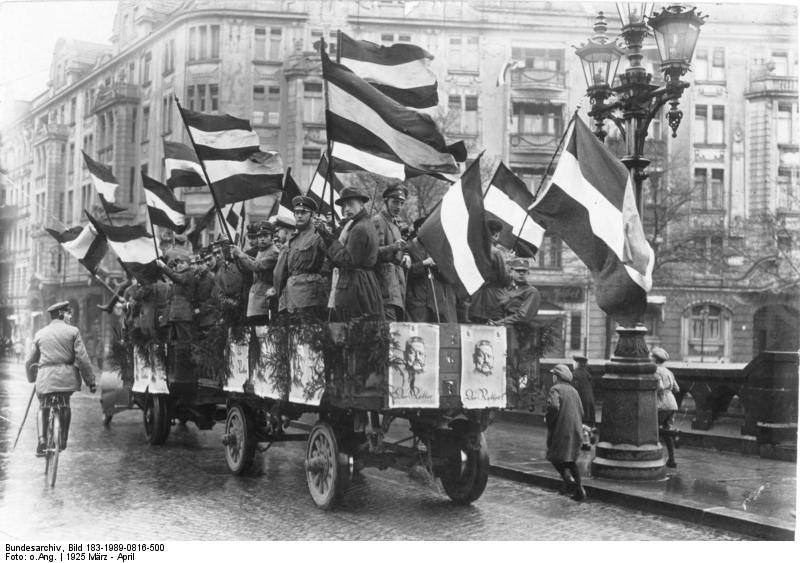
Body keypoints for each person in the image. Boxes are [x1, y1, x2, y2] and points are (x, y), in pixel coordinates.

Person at [24, 301, 96, 456]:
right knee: (65, 404)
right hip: (66, 379)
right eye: (69, 313)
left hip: (45, 379)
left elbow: (30, 361)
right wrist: (91, 382)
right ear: (61, 314)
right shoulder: (73, 332)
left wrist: (32, 378)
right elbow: (83, 359)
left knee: (43, 405)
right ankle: (62, 440)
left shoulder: (40, 333)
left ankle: (42, 440)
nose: (70, 316)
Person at [317, 186, 384, 321]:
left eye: (351, 204)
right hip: (364, 283)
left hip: (356, 285)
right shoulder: (362, 224)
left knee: (353, 325)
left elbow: (347, 260)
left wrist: (329, 240)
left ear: (361, 204)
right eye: (344, 205)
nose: (346, 209)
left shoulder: (359, 228)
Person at [272, 196, 329, 324]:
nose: (299, 216)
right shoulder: (293, 240)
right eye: (296, 213)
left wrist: (324, 233)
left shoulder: (318, 235)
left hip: (309, 296)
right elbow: (282, 272)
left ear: (312, 215)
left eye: (303, 213)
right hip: (290, 298)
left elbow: (330, 259)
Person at [492, 258, 541, 408]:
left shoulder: (531, 292)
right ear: (511, 272)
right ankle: (509, 400)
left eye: (524, 272)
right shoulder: (508, 291)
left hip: (523, 335)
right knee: (506, 366)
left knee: (523, 369)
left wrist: (498, 323)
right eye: (518, 271)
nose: (521, 274)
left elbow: (523, 316)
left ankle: (524, 402)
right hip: (507, 333)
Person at [545, 363, 586, 501]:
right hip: (575, 429)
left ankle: (569, 481)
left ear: (557, 376)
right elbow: (581, 410)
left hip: (561, 429)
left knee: (554, 456)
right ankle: (579, 488)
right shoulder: (574, 390)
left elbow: (553, 407)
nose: (553, 377)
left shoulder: (555, 389)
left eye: (554, 375)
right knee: (570, 459)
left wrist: (549, 420)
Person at [406, 218, 457, 323]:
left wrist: (438, 266)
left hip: (436, 297)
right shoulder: (410, 247)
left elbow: (448, 273)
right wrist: (424, 263)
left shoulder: (435, 247)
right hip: (418, 295)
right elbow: (407, 271)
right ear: (417, 230)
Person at [372, 185, 410, 321]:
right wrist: (394, 247)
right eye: (395, 202)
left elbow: (400, 247)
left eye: (401, 203)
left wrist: (405, 254)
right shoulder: (378, 220)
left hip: (396, 281)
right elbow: (372, 253)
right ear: (386, 202)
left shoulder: (395, 223)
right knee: (389, 323)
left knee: (397, 324)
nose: (398, 206)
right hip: (384, 282)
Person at [232, 223, 280, 324]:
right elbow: (246, 268)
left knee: (263, 331)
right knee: (255, 330)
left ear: (272, 237)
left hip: (265, 297)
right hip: (256, 297)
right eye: (260, 236)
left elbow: (256, 266)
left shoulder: (273, 251)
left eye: (265, 236)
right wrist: (237, 257)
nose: (262, 239)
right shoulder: (262, 251)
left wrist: (241, 254)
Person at [469, 219, 510, 323]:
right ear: (496, 234)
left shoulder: (474, 250)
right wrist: (509, 266)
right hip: (493, 298)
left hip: (476, 298)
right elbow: (504, 278)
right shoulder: (497, 253)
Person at [652, 346, 679, 468]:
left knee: (653, 430)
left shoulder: (656, 371)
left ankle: (654, 458)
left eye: (652, 356)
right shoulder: (669, 371)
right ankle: (672, 459)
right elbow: (677, 389)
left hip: (661, 403)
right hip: (672, 403)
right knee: (667, 431)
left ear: (655, 359)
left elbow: (660, 387)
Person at [193, 248, 217, 336]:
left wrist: (200, 310)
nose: (200, 266)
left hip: (209, 316)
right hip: (198, 316)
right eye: (198, 263)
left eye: (202, 263)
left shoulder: (212, 277)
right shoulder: (197, 278)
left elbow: (213, 298)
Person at [571, 355, 596, 427]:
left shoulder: (574, 375)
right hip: (590, 403)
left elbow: (574, 390)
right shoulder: (587, 374)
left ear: (577, 363)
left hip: (580, 403)